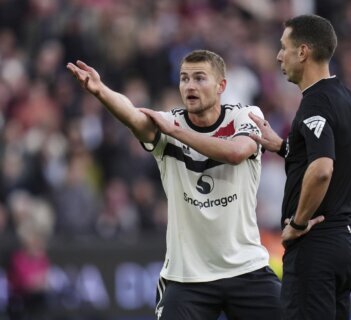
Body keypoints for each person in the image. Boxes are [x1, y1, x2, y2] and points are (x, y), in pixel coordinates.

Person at [67, 50, 282, 320]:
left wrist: (177, 132)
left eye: (200, 78)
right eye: (184, 78)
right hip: (186, 277)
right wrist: (100, 91)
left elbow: (237, 153)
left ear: (221, 86)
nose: (190, 86)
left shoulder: (244, 116)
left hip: (246, 268)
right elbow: (134, 116)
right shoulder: (168, 123)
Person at [249, 15, 351, 319]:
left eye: (283, 47)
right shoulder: (346, 97)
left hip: (316, 244)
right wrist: (283, 146)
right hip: (345, 240)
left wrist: (298, 224)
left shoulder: (316, 102)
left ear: (303, 52)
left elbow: (323, 168)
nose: (278, 56)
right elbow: (335, 156)